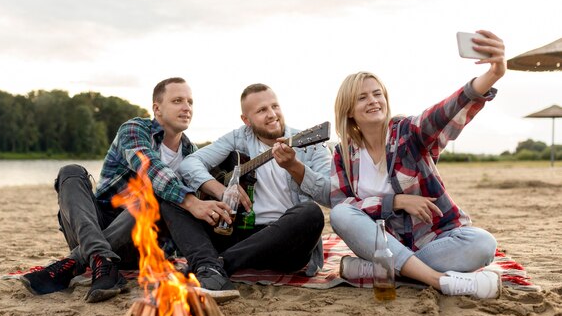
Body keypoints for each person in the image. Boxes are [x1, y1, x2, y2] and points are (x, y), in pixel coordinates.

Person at [20, 77, 231, 303]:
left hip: (143, 244)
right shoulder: (134, 129)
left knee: (152, 197)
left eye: (190, 102)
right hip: (95, 227)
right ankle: (102, 260)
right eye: (178, 100)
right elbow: (149, 167)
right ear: (157, 108)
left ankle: (81, 261)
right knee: (70, 171)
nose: (186, 107)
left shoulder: (193, 155)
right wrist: (191, 201)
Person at [330, 30, 506, 299]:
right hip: (381, 241)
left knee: (483, 244)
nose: (374, 101)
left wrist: (492, 75)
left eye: (378, 94)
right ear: (349, 110)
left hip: (432, 240)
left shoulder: (408, 132)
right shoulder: (344, 154)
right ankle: (438, 280)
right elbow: (344, 207)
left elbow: (443, 113)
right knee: (340, 215)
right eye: (362, 97)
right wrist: (394, 202)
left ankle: (382, 269)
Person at [169, 83, 332, 293]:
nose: (272, 114)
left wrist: (295, 167)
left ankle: (214, 266)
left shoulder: (311, 143)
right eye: (262, 110)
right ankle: (212, 266)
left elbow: (329, 194)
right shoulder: (239, 137)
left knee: (311, 213)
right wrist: (222, 191)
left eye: (275, 106)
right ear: (246, 120)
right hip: (238, 233)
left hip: (285, 243)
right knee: (175, 199)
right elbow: (189, 164)